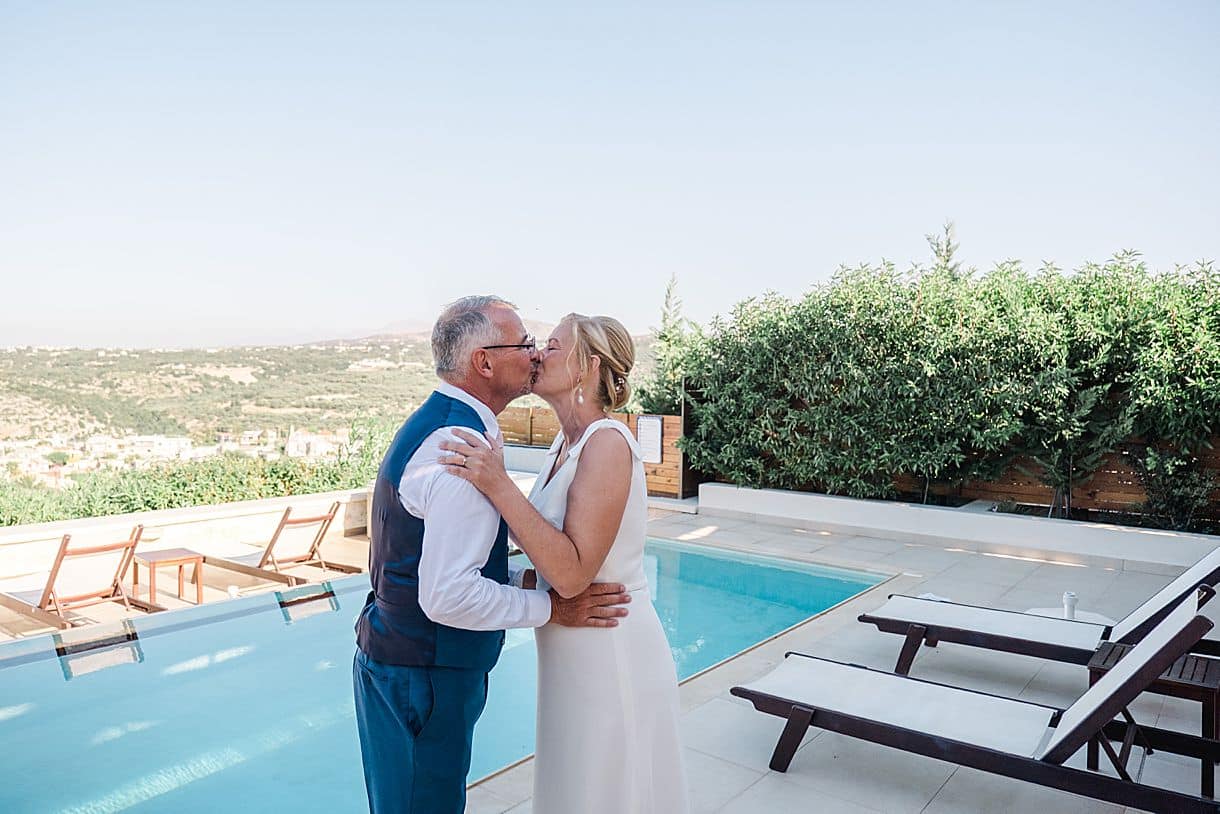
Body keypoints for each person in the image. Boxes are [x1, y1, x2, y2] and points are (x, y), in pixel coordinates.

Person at [353, 296, 633, 814]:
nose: (533, 354)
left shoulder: (449, 428)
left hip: (401, 660)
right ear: (484, 362)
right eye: (525, 343)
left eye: (543, 345)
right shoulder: (463, 449)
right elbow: (449, 596)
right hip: (425, 674)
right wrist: (553, 608)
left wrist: (523, 578)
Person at [440, 313, 690, 814]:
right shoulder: (564, 443)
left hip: (609, 649)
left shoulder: (609, 445)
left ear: (587, 365)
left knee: (607, 791)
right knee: (573, 787)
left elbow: (574, 574)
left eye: (552, 346)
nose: (537, 354)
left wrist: (497, 482)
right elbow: (550, 551)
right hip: (570, 651)